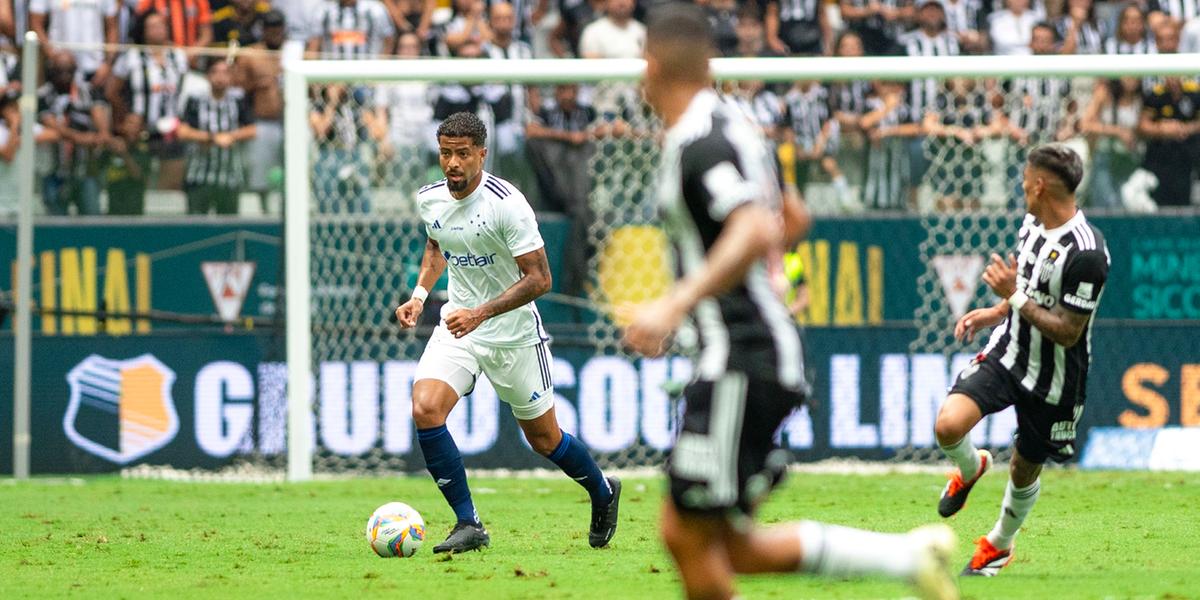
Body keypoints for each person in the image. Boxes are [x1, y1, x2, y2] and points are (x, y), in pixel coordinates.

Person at [623, 5, 957, 600]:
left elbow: (753, 227)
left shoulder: (700, 141)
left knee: (692, 537)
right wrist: (757, 281)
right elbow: (790, 218)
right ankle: (908, 558)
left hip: (741, 357)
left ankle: (909, 558)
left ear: (650, 65)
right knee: (712, 539)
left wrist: (676, 303)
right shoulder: (736, 124)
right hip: (750, 349)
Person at [394, 111, 621, 554]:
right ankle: (468, 523)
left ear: (482, 154)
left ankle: (602, 491)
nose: (453, 163)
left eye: (462, 154)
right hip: (458, 326)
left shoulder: (507, 204)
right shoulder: (430, 199)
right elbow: (437, 244)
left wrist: (480, 313)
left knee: (544, 439)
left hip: (513, 334)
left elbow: (540, 279)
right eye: (445, 153)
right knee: (425, 408)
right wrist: (420, 294)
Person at [935, 144, 1109, 576]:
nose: (1020, 189)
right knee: (948, 425)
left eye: (1024, 182)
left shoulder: (1087, 253)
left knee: (1023, 466)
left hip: (1056, 376)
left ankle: (998, 545)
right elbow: (1029, 290)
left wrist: (1012, 295)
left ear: (1039, 185)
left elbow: (1069, 331)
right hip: (1010, 351)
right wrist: (996, 311)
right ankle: (970, 467)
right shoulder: (1033, 222)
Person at [176, 59, 256, 214]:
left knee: (227, 226)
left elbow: (252, 129)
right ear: (207, 76)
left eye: (225, 72)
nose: (220, 77)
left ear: (231, 77)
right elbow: (183, 131)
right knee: (196, 225)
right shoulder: (196, 100)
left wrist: (231, 136)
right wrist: (212, 138)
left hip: (229, 176)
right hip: (199, 175)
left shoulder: (238, 100)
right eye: (215, 72)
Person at [234, 8, 286, 212]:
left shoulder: (294, 52)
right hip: (262, 121)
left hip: (290, 121)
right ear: (263, 29)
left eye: (278, 27)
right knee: (261, 175)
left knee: (292, 173)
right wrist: (256, 84)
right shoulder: (251, 54)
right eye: (270, 27)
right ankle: (262, 212)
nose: (274, 31)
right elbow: (236, 87)